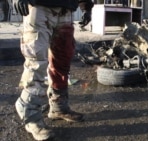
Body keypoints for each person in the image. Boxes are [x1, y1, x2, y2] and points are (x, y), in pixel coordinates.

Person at [13, 0, 94, 140]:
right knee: (36, 62)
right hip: (40, 8)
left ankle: (58, 106)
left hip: (66, 10)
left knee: (62, 61)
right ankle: (30, 114)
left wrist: (87, 5)